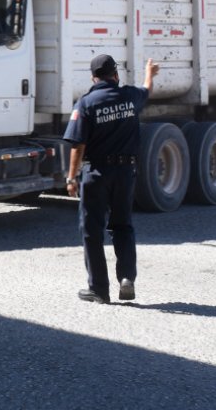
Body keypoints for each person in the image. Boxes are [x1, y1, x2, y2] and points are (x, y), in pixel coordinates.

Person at [63, 54, 159, 304]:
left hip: (97, 174)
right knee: (122, 226)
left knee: (92, 231)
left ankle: (99, 289)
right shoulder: (130, 96)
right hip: (126, 173)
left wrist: (71, 178)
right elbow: (147, 90)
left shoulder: (86, 103)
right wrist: (150, 72)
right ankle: (126, 278)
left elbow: (78, 144)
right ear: (115, 75)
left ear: (93, 78)